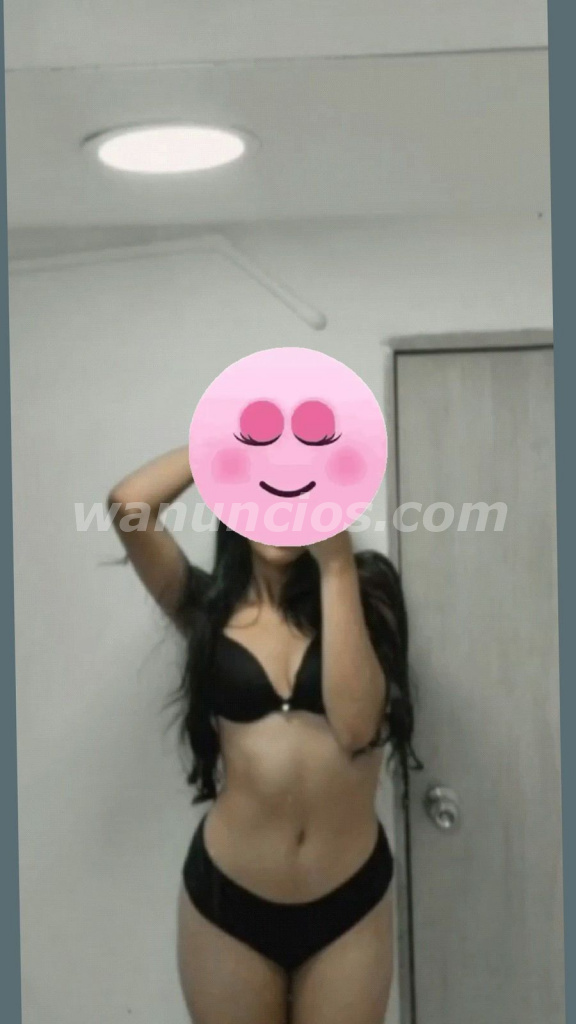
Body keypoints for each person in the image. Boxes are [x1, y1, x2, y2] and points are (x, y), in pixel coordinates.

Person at [109, 444, 417, 1024]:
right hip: (229, 900)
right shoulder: (205, 607)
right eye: (266, 491)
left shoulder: (365, 589)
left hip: (349, 899)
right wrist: (227, 438)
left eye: (298, 493)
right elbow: (129, 506)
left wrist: (335, 564)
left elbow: (355, 727)